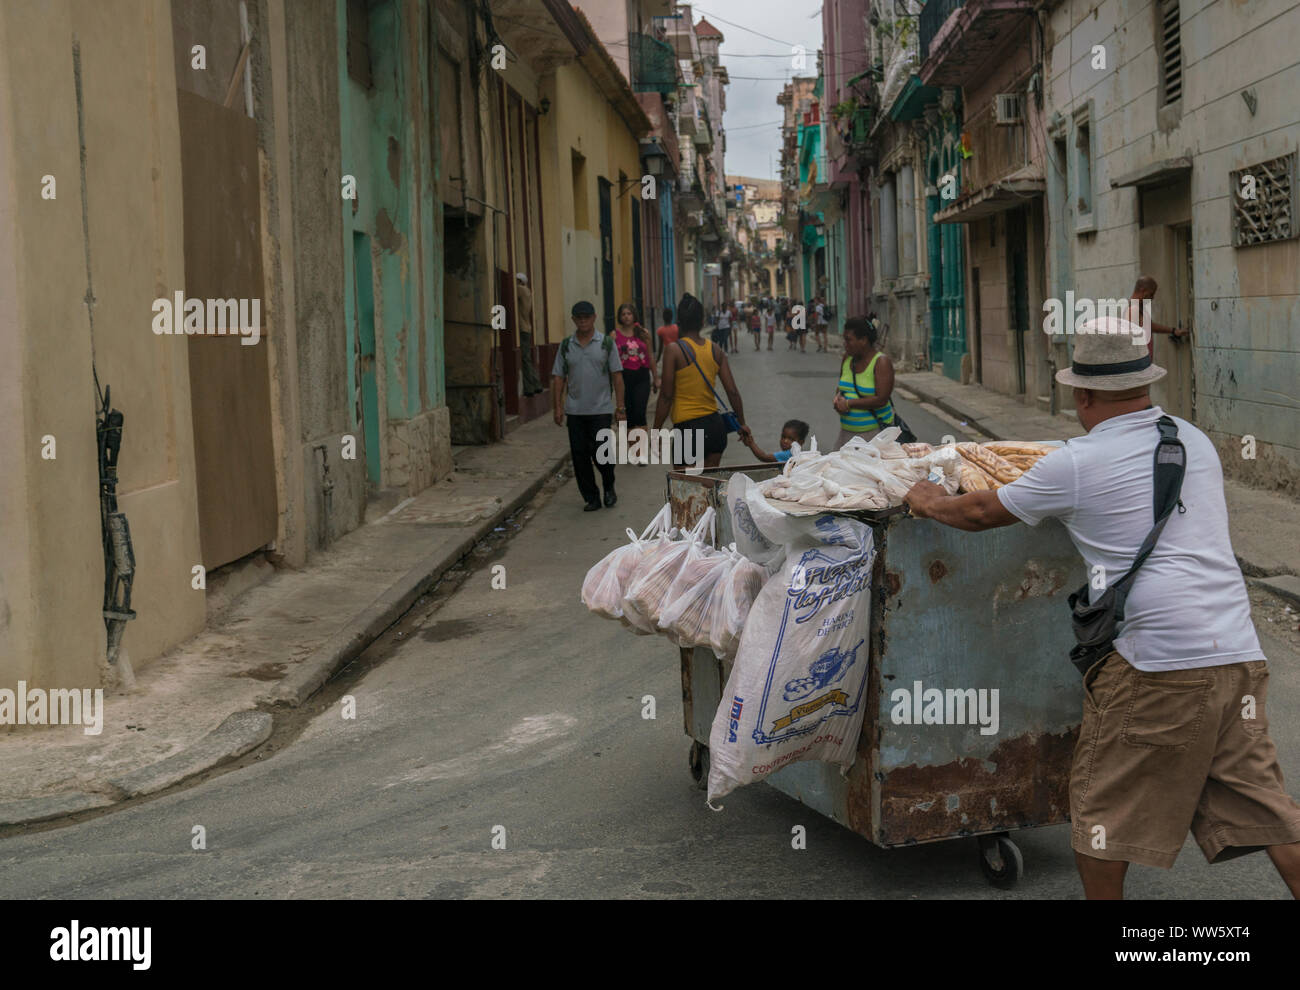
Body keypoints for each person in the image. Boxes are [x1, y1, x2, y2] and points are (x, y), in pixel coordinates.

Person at [902, 321, 1300, 901]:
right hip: (1237, 651)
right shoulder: (1192, 438)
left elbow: (981, 512)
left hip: (1158, 663)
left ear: (1081, 395)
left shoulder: (1077, 463)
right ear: (1144, 383)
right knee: (1265, 807)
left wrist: (928, 500)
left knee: (1100, 815)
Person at [653, 293, 750, 470]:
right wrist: (741, 423)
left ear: (679, 321)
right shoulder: (715, 350)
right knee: (708, 486)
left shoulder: (673, 350)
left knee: (687, 490)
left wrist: (656, 431)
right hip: (715, 428)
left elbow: (666, 396)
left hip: (688, 429)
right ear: (702, 320)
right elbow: (733, 391)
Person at [552, 300, 625, 511]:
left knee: (602, 455)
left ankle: (609, 486)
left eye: (587, 317)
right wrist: (557, 407)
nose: (583, 321)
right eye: (579, 318)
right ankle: (591, 497)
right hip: (575, 411)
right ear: (574, 320)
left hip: (601, 409)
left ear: (594, 318)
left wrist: (620, 407)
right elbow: (558, 378)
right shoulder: (567, 345)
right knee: (579, 456)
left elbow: (617, 377)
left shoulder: (605, 344)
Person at [833, 316, 896, 448]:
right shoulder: (847, 358)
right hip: (846, 434)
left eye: (848, 340)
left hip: (874, 436)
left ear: (863, 340)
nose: (845, 344)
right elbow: (842, 388)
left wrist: (849, 403)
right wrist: (838, 400)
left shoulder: (881, 362)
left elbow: (881, 399)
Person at [613, 302, 658, 435]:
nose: (626, 317)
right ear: (619, 317)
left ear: (634, 316)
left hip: (641, 376)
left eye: (629, 314)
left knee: (640, 412)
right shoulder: (614, 336)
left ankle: (640, 451)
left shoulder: (643, 333)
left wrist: (656, 378)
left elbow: (650, 356)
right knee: (629, 415)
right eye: (623, 314)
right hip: (624, 378)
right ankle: (633, 449)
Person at [1123, 275, 1190, 357]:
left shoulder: (1139, 307)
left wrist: (1174, 331)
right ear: (1143, 290)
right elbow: (1132, 342)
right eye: (1151, 294)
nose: (1152, 298)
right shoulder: (1133, 310)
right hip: (1141, 365)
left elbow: (1150, 326)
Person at [515, 273, 542, 397]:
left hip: (522, 327)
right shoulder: (527, 291)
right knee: (527, 358)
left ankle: (532, 386)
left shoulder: (520, 290)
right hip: (527, 328)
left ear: (519, 281)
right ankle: (535, 384)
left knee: (525, 359)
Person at [742, 418, 809, 464]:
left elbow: (764, 457)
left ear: (801, 442)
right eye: (783, 437)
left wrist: (751, 443)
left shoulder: (788, 454)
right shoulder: (800, 454)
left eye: (791, 439)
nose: (785, 441)